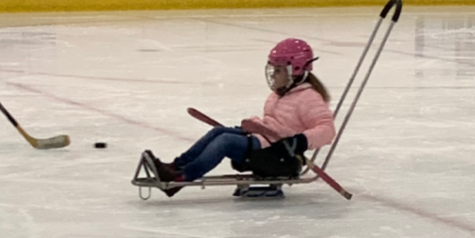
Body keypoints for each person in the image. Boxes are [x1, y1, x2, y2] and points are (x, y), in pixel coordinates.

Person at [144, 38, 336, 197]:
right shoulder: (279, 94)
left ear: (295, 70)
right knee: (219, 132)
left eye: (278, 70)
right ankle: (175, 167)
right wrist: (255, 125)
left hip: (281, 156)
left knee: (225, 141)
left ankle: (180, 179)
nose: (274, 76)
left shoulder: (308, 98)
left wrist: (300, 141)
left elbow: (327, 129)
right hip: (266, 144)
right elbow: (274, 124)